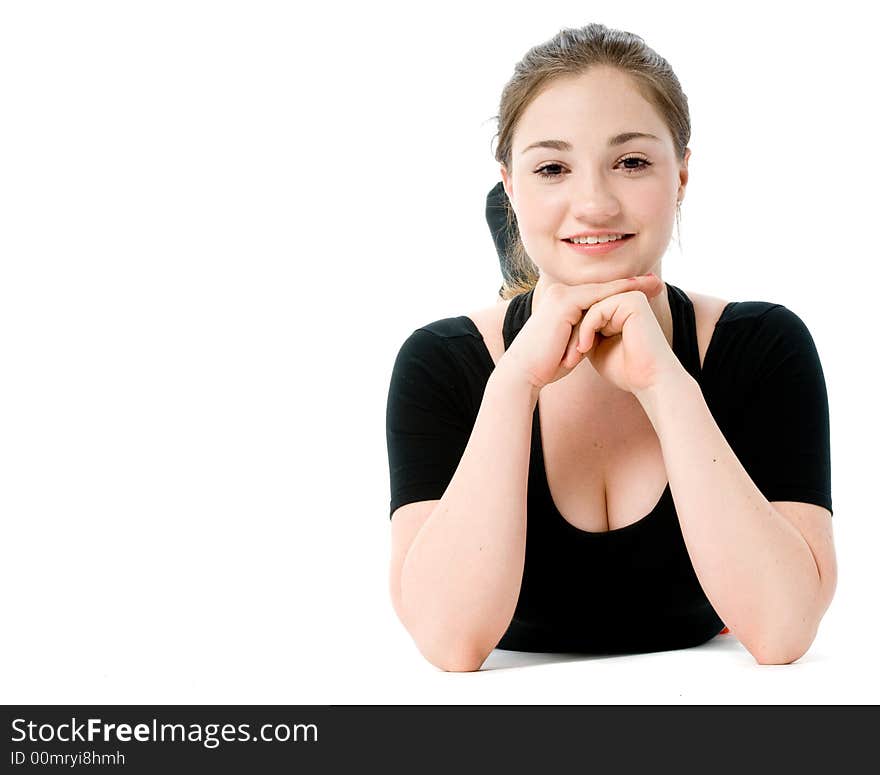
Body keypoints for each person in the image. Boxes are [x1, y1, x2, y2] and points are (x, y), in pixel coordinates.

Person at [385, 23, 836, 671]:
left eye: (631, 162)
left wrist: (665, 382)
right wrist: (514, 384)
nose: (593, 203)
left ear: (681, 174)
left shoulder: (763, 346)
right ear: (511, 187)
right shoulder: (442, 362)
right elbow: (452, 645)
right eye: (552, 168)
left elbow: (783, 629)